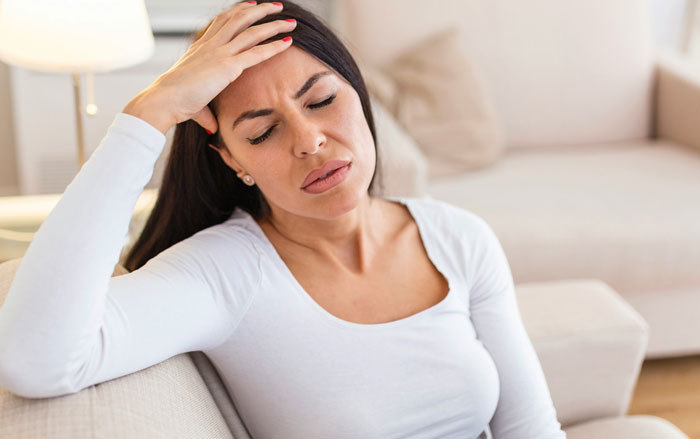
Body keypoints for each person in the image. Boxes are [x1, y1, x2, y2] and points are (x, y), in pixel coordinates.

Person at [0, 1, 566, 437]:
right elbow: (37, 360)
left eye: (321, 101)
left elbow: (531, 430)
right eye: (263, 131)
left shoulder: (457, 237)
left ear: (361, 95)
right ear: (232, 161)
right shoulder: (226, 273)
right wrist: (150, 111)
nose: (311, 140)